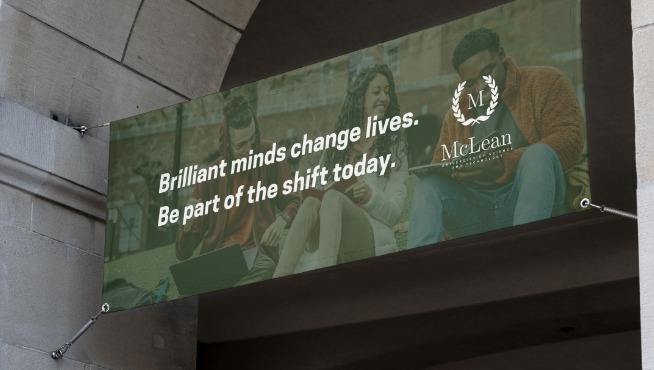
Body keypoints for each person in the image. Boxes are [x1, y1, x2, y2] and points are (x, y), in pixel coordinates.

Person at [407, 28, 585, 248]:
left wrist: (504, 164)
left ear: (501, 55)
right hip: (479, 210)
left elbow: (571, 139)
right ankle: (421, 270)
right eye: (471, 83)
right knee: (428, 184)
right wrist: (456, 171)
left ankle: (525, 258)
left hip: (534, 201)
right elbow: (439, 166)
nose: (481, 87)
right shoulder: (457, 114)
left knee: (538, 154)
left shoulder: (545, 81)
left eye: (487, 73)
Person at [273, 64, 408, 277]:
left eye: (387, 91)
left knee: (334, 198)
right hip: (327, 230)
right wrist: (307, 191)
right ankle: (278, 280)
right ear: (360, 99)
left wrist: (370, 196)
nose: (383, 97)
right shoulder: (338, 145)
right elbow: (317, 191)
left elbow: (395, 213)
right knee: (310, 202)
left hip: (368, 237)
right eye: (376, 92)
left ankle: (325, 278)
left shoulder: (393, 145)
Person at [175, 95, 300, 284]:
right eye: (241, 144)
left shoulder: (269, 154)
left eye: (253, 139)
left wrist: (281, 220)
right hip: (218, 259)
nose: (249, 149)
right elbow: (182, 254)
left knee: (267, 267)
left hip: (255, 256)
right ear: (226, 145)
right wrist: (187, 224)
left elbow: (294, 200)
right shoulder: (210, 176)